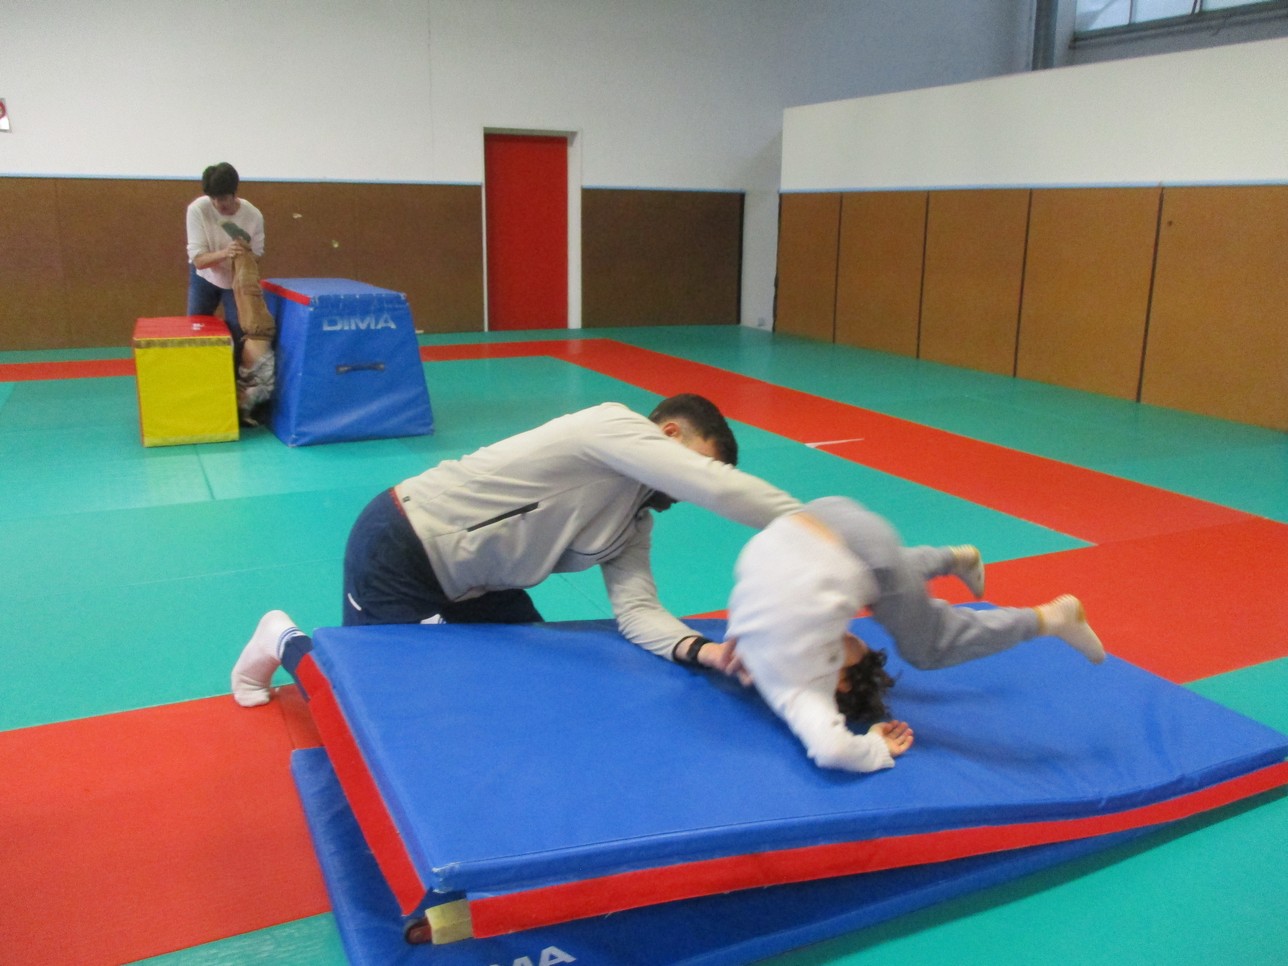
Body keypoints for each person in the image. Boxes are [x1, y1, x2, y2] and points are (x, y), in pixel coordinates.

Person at [232, 395, 802, 706]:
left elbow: (637, 611)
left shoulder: (634, 522)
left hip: (485, 585)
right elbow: (716, 488)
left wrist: (706, 651)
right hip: (401, 548)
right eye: (694, 469)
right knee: (364, 710)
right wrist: (813, 526)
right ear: (669, 436)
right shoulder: (610, 427)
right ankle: (280, 637)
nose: (687, 491)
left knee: (525, 689)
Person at [720, 496, 1106, 774]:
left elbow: (832, 750)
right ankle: (956, 557)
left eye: (859, 651)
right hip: (818, 513)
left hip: (857, 548)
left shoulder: (801, 691)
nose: (861, 639)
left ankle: (1052, 618)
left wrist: (874, 745)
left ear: (842, 684)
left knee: (928, 647)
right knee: (884, 588)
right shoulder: (744, 643)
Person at [185, 162, 275, 423]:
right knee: (195, 330)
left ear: (234, 193)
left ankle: (235, 401)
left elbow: (257, 255)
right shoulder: (198, 210)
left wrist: (243, 254)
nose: (218, 204)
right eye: (213, 198)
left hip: (235, 281)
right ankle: (195, 391)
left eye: (223, 198)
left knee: (239, 336)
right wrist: (226, 252)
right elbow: (198, 259)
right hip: (204, 277)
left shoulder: (253, 216)